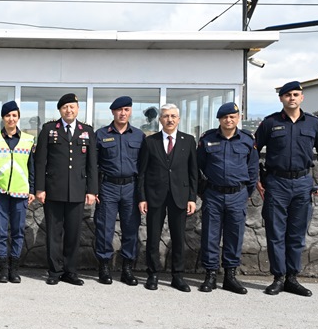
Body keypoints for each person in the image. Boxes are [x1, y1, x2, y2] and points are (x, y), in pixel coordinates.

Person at [254, 81, 318, 297]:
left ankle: (292, 278)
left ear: (302, 98)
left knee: (297, 234)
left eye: (296, 94)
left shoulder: (313, 124)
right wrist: (257, 179)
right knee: (275, 233)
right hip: (276, 183)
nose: (292, 98)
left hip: (302, 184)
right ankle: (278, 278)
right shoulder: (270, 123)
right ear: (281, 98)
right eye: (287, 94)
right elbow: (253, 151)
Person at [35, 93, 98, 286]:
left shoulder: (86, 131)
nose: (69, 110)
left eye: (72, 107)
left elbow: (92, 164)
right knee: (54, 234)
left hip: (78, 191)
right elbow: (40, 161)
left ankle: (70, 271)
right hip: (54, 190)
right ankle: (55, 271)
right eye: (65, 107)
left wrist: (92, 190)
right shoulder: (49, 129)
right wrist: (40, 188)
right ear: (60, 110)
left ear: (77, 109)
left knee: (73, 234)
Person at [196, 102, 259, 294]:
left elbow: (253, 169)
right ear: (219, 119)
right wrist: (204, 192)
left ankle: (230, 276)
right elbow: (198, 168)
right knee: (210, 235)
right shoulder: (207, 139)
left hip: (237, 194)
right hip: (213, 194)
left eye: (232, 116)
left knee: (234, 235)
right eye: (225, 117)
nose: (229, 120)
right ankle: (211, 275)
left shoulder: (247, 140)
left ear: (238, 118)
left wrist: (245, 193)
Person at [138, 103, 198, 292]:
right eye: (165, 116)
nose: (169, 119)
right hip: (155, 196)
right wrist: (142, 197)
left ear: (178, 119)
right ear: (160, 119)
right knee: (153, 236)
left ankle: (178, 276)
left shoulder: (188, 141)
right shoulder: (150, 141)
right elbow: (142, 172)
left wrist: (191, 198)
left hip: (179, 196)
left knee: (178, 237)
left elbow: (193, 172)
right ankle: (153, 274)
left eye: (173, 116)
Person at [93, 96, 144, 286]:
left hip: (131, 188)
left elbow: (144, 167)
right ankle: (104, 266)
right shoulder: (101, 134)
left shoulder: (138, 136)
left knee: (130, 229)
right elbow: (93, 165)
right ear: (113, 112)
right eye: (119, 110)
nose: (123, 113)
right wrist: (94, 189)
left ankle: (127, 269)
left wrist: (142, 194)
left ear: (130, 112)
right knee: (104, 229)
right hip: (108, 187)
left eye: (127, 110)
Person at [0, 100, 35, 283]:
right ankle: (3, 270)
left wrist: (32, 188)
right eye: (7, 115)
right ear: (3, 118)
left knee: (17, 231)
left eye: (14, 115)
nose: (11, 118)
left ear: (18, 117)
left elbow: (32, 166)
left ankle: (14, 269)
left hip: (21, 192)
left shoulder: (29, 140)